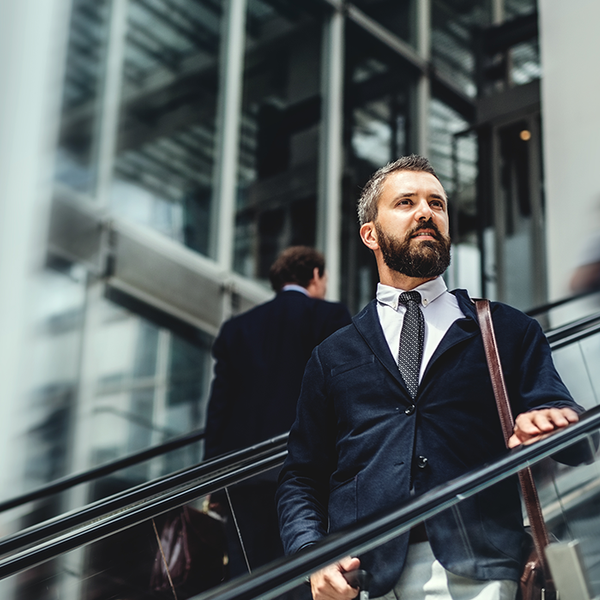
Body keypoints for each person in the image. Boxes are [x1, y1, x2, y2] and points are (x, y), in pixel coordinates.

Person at [276, 156, 583, 600]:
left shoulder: (507, 329)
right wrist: (310, 553)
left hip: (483, 571)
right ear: (370, 234)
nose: (426, 212)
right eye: (406, 202)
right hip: (366, 580)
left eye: (436, 204)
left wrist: (556, 425)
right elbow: (302, 475)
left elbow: (573, 437)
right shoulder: (331, 355)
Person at [204, 246, 352, 577]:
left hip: (242, 474)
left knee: (248, 573)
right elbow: (343, 395)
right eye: (324, 278)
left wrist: (213, 478)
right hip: (307, 472)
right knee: (304, 569)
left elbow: (219, 409)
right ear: (315, 275)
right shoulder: (328, 317)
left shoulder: (237, 329)